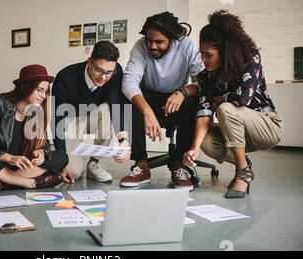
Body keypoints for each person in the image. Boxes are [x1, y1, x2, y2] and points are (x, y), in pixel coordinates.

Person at [183, 10, 283, 198]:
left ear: (225, 52)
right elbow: (204, 111)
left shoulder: (250, 61)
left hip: (267, 125)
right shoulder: (207, 77)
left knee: (225, 109)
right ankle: (242, 161)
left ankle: (243, 173)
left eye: (208, 55)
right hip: (237, 132)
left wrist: (220, 99)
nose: (203, 60)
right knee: (205, 140)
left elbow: (243, 99)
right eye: (201, 54)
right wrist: (194, 148)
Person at [120, 11, 205, 190]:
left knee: (193, 101)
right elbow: (129, 80)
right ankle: (141, 165)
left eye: (159, 42)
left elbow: (203, 82)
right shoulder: (140, 46)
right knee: (130, 99)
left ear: (173, 39)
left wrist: (183, 91)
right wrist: (146, 110)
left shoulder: (187, 46)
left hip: (178, 97)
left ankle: (178, 165)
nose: (152, 46)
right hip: (150, 96)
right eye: (149, 40)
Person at [0, 64, 69, 194]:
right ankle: (28, 183)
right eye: (39, 90)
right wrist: (8, 157)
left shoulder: (37, 112)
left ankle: (3, 184)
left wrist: (41, 153)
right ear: (25, 87)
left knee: (62, 156)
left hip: (17, 168)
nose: (43, 96)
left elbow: (44, 144)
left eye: (45, 92)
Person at [52, 41, 130, 183]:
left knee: (107, 108)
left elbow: (116, 104)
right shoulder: (65, 76)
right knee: (73, 173)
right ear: (89, 61)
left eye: (109, 72)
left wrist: (123, 140)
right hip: (71, 123)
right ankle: (69, 160)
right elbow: (58, 120)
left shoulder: (116, 71)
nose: (103, 77)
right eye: (99, 70)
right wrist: (62, 159)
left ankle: (94, 163)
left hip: (94, 116)